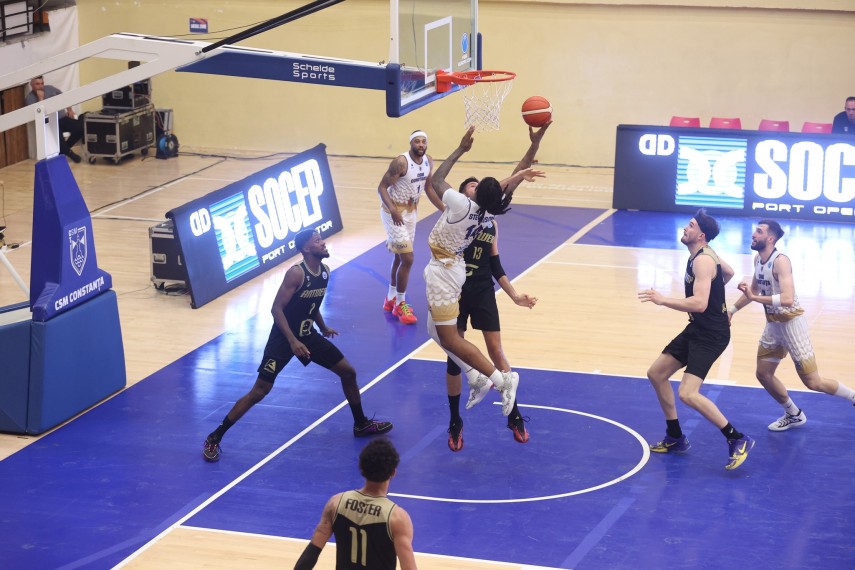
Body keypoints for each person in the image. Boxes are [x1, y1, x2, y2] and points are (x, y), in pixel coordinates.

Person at [203, 228, 392, 462]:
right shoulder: (296, 273)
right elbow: (276, 309)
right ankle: (215, 436)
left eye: (321, 239)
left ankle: (360, 424)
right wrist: (292, 341)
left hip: (307, 336)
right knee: (260, 391)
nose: (323, 243)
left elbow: (311, 305)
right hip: (284, 340)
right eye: (317, 241)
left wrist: (322, 326)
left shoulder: (325, 271)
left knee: (348, 372)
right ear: (306, 248)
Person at [443, 123, 551, 451]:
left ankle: (513, 414)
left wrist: (514, 295)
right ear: (463, 195)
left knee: (496, 351)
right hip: (454, 290)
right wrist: (517, 174)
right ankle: (455, 420)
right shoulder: (457, 214)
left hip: (481, 289)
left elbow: (495, 265)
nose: (477, 187)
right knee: (454, 357)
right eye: (471, 185)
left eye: (479, 185)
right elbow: (509, 180)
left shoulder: (490, 220)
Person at [638, 209, 755, 471]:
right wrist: (717, 295)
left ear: (701, 235)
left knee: (688, 393)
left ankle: (737, 438)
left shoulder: (702, 260)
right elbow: (728, 272)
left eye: (690, 225)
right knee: (656, 373)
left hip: (711, 334)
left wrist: (663, 300)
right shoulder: (705, 254)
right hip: (698, 328)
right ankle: (675, 437)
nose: (685, 228)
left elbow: (700, 304)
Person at [729, 219, 855, 431]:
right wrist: (732, 310)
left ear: (770, 238)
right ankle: (793, 414)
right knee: (763, 374)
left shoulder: (781, 261)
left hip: (792, 325)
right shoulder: (758, 259)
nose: (753, 234)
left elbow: (787, 299)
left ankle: (853, 396)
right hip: (774, 326)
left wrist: (755, 298)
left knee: (813, 382)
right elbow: (755, 291)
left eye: (758, 232)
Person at [294, 437, 417, 570]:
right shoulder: (396, 518)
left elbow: (311, 553)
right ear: (393, 472)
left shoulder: (336, 503)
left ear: (362, 467)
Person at [378, 130, 442, 325]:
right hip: (393, 213)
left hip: (411, 212)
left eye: (423, 141)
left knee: (400, 257)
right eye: (417, 142)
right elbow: (382, 187)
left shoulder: (428, 161)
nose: (421, 145)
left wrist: (444, 209)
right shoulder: (401, 162)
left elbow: (428, 188)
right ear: (411, 144)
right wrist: (392, 209)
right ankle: (400, 303)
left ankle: (390, 298)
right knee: (408, 258)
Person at [24, 75, 84, 163]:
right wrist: (40, 98)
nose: (40, 86)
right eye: (37, 84)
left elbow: (64, 97)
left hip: (62, 118)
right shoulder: (29, 98)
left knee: (81, 127)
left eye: (42, 83)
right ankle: (70, 153)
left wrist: (69, 110)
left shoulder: (50, 88)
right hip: (48, 123)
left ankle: (64, 150)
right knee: (57, 135)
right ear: (32, 85)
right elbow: (39, 115)